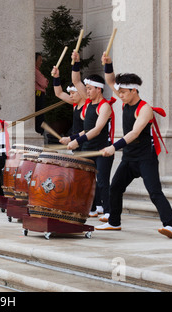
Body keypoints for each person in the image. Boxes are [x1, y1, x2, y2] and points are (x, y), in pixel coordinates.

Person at [96, 53, 172, 239]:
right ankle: (114, 222)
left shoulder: (145, 109)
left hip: (145, 158)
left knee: (154, 192)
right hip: (129, 158)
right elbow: (110, 81)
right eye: (120, 92)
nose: (119, 95)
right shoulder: (125, 99)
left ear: (134, 91)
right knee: (115, 187)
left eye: (123, 93)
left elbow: (133, 133)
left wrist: (112, 147)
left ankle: (170, 226)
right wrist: (108, 63)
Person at [66, 51, 115, 220]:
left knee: (102, 181)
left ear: (98, 89)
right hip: (88, 148)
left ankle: (109, 212)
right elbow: (76, 80)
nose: (86, 91)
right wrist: (76, 62)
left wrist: (76, 141)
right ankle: (92, 209)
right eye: (86, 89)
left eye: (89, 89)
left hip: (102, 150)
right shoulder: (88, 103)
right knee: (86, 180)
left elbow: (96, 129)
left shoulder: (105, 106)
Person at [51, 66, 85, 151]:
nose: (70, 96)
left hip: (85, 141)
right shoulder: (75, 104)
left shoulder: (87, 104)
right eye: (70, 93)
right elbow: (59, 93)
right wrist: (56, 78)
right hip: (76, 141)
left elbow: (76, 81)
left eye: (73, 93)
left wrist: (75, 63)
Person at [35, 52, 50, 144]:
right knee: (39, 117)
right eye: (40, 60)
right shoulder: (35, 71)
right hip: (38, 95)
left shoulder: (37, 70)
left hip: (39, 94)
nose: (41, 62)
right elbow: (44, 83)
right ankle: (39, 133)